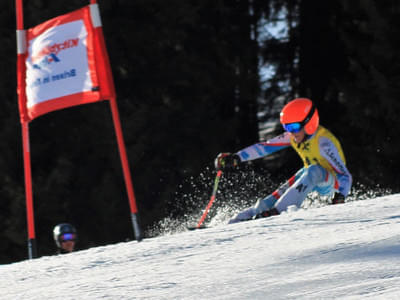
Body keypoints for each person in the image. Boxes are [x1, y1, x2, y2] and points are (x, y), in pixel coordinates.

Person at [215, 98, 352, 224]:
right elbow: (265, 147)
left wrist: (340, 196)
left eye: (294, 128)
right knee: (290, 184)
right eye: (287, 127)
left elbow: (345, 176)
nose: (291, 133)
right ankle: (241, 218)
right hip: (309, 178)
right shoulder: (293, 137)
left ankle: (278, 211)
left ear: (309, 123)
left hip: (331, 183)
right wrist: (238, 157)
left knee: (313, 170)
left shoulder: (324, 143)